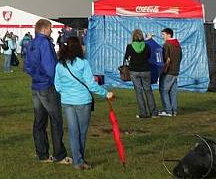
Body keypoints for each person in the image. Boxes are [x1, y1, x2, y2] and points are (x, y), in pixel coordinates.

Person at [54, 36, 114, 170]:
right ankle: (79, 160)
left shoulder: (60, 64)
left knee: (73, 131)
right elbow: (91, 84)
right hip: (82, 101)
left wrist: (66, 92)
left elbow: (57, 85)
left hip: (67, 101)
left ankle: (77, 159)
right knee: (81, 132)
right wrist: (106, 93)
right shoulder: (83, 63)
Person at [24, 19, 69, 164]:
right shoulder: (45, 43)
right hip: (47, 86)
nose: (52, 31)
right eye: (50, 28)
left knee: (39, 122)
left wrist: (37, 76)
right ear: (43, 29)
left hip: (36, 86)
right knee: (56, 121)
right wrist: (58, 83)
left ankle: (42, 154)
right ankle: (59, 155)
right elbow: (50, 67)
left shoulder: (31, 43)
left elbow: (27, 66)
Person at [124, 29, 157, 118]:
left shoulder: (130, 46)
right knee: (148, 91)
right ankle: (154, 113)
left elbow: (126, 58)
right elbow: (149, 56)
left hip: (134, 71)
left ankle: (143, 113)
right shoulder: (147, 46)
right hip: (145, 71)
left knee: (139, 92)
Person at [158, 27, 182, 117]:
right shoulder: (177, 45)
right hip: (176, 71)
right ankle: (174, 111)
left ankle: (168, 111)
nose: (162, 36)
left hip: (168, 71)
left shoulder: (167, 44)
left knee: (163, 90)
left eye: (163, 34)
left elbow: (165, 58)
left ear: (169, 35)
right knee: (173, 92)